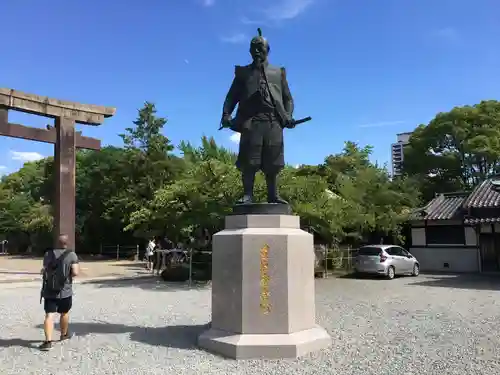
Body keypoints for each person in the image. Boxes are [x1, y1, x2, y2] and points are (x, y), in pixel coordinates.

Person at [220, 28, 295, 204]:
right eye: (253, 48)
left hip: (273, 122)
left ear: (268, 50)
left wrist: (289, 115)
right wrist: (226, 114)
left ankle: (273, 195)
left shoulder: (278, 73)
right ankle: (248, 195)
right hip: (251, 121)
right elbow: (231, 97)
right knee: (249, 161)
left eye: (260, 47)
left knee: (273, 161)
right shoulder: (243, 73)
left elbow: (288, 99)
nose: (257, 51)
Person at [39, 234, 79, 351]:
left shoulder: (48, 254)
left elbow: (45, 269)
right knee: (64, 312)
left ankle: (48, 342)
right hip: (65, 290)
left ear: (57, 242)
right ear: (67, 243)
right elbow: (75, 272)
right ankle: (64, 334)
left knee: (49, 315)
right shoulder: (72, 255)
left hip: (50, 290)